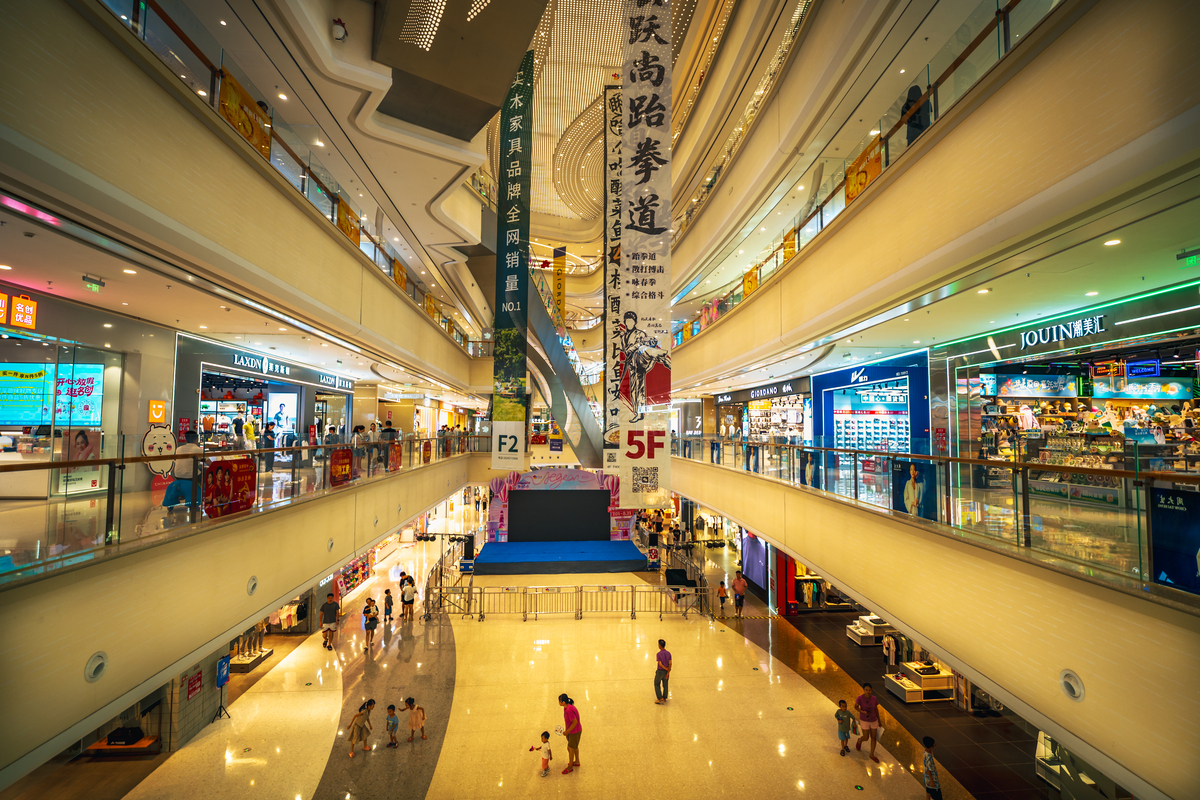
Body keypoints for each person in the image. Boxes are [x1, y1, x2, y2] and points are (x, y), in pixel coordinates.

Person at [163, 431, 204, 514]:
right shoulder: (198, 449)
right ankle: (199, 496)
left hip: (178, 475)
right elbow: (208, 461)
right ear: (196, 439)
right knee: (203, 475)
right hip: (191, 477)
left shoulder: (179, 449)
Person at [854, 682, 882, 763]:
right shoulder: (860, 698)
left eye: (869, 690)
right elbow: (855, 706)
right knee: (866, 737)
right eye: (866, 690)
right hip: (864, 720)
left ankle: (872, 754)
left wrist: (879, 721)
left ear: (871, 690)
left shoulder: (874, 698)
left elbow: (876, 709)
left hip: (873, 720)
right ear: (863, 690)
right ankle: (860, 740)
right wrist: (862, 711)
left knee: (874, 738)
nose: (868, 691)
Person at [558, 693, 581, 773]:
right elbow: (567, 721)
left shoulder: (569, 710)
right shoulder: (566, 707)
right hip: (572, 731)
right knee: (574, 747)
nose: (559, 702)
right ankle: (577, 761)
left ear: (563, 702)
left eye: (560, 701)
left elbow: (575, 722)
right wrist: (567, 731)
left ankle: (570, 767)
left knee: (570, 748)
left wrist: (567, 731)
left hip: (575, 731)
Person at [922, 735, 942, 799]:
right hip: (931, 778)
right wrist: (932, 781)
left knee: (928, 792)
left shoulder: (926, 752)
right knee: (937, 795)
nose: (934, 745)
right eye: (933, 744)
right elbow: (929, 769)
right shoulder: (929, 757)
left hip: (926, 778)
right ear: (931, 746)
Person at [654, 639, 672, 705]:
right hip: (666, 672)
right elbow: (670, 663)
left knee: (656, 683)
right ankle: (664, 697)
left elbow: (660, 664)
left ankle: (660, 698)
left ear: (659, 645)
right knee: (665, 684)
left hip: (660, 671)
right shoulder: (669, 653)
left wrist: (666, 669)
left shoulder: (658, 654)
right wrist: (668, 671)